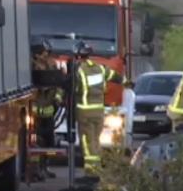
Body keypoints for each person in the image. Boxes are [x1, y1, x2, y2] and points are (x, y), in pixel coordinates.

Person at [73, 41, 127, 179]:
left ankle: (90, 171)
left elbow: (74, 89)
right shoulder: (100, 68)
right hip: (99, 112)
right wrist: (128, 83)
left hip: (84, 112)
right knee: (96, 140)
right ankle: (97, 169)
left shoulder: (78, 70)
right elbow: (117, 78)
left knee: (87, 141)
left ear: (78, 56)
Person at [31, 38, 64, 180]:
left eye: (48, 52)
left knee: (49, 142)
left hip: (49, 112)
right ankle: (35, 170)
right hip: (34, 114)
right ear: (37, 54)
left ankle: (45, 167)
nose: (47, 55)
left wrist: (57, 99)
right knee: (36, 142)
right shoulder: (30, 67)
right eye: (44, 53)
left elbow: (60, 86)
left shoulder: (52, 66)